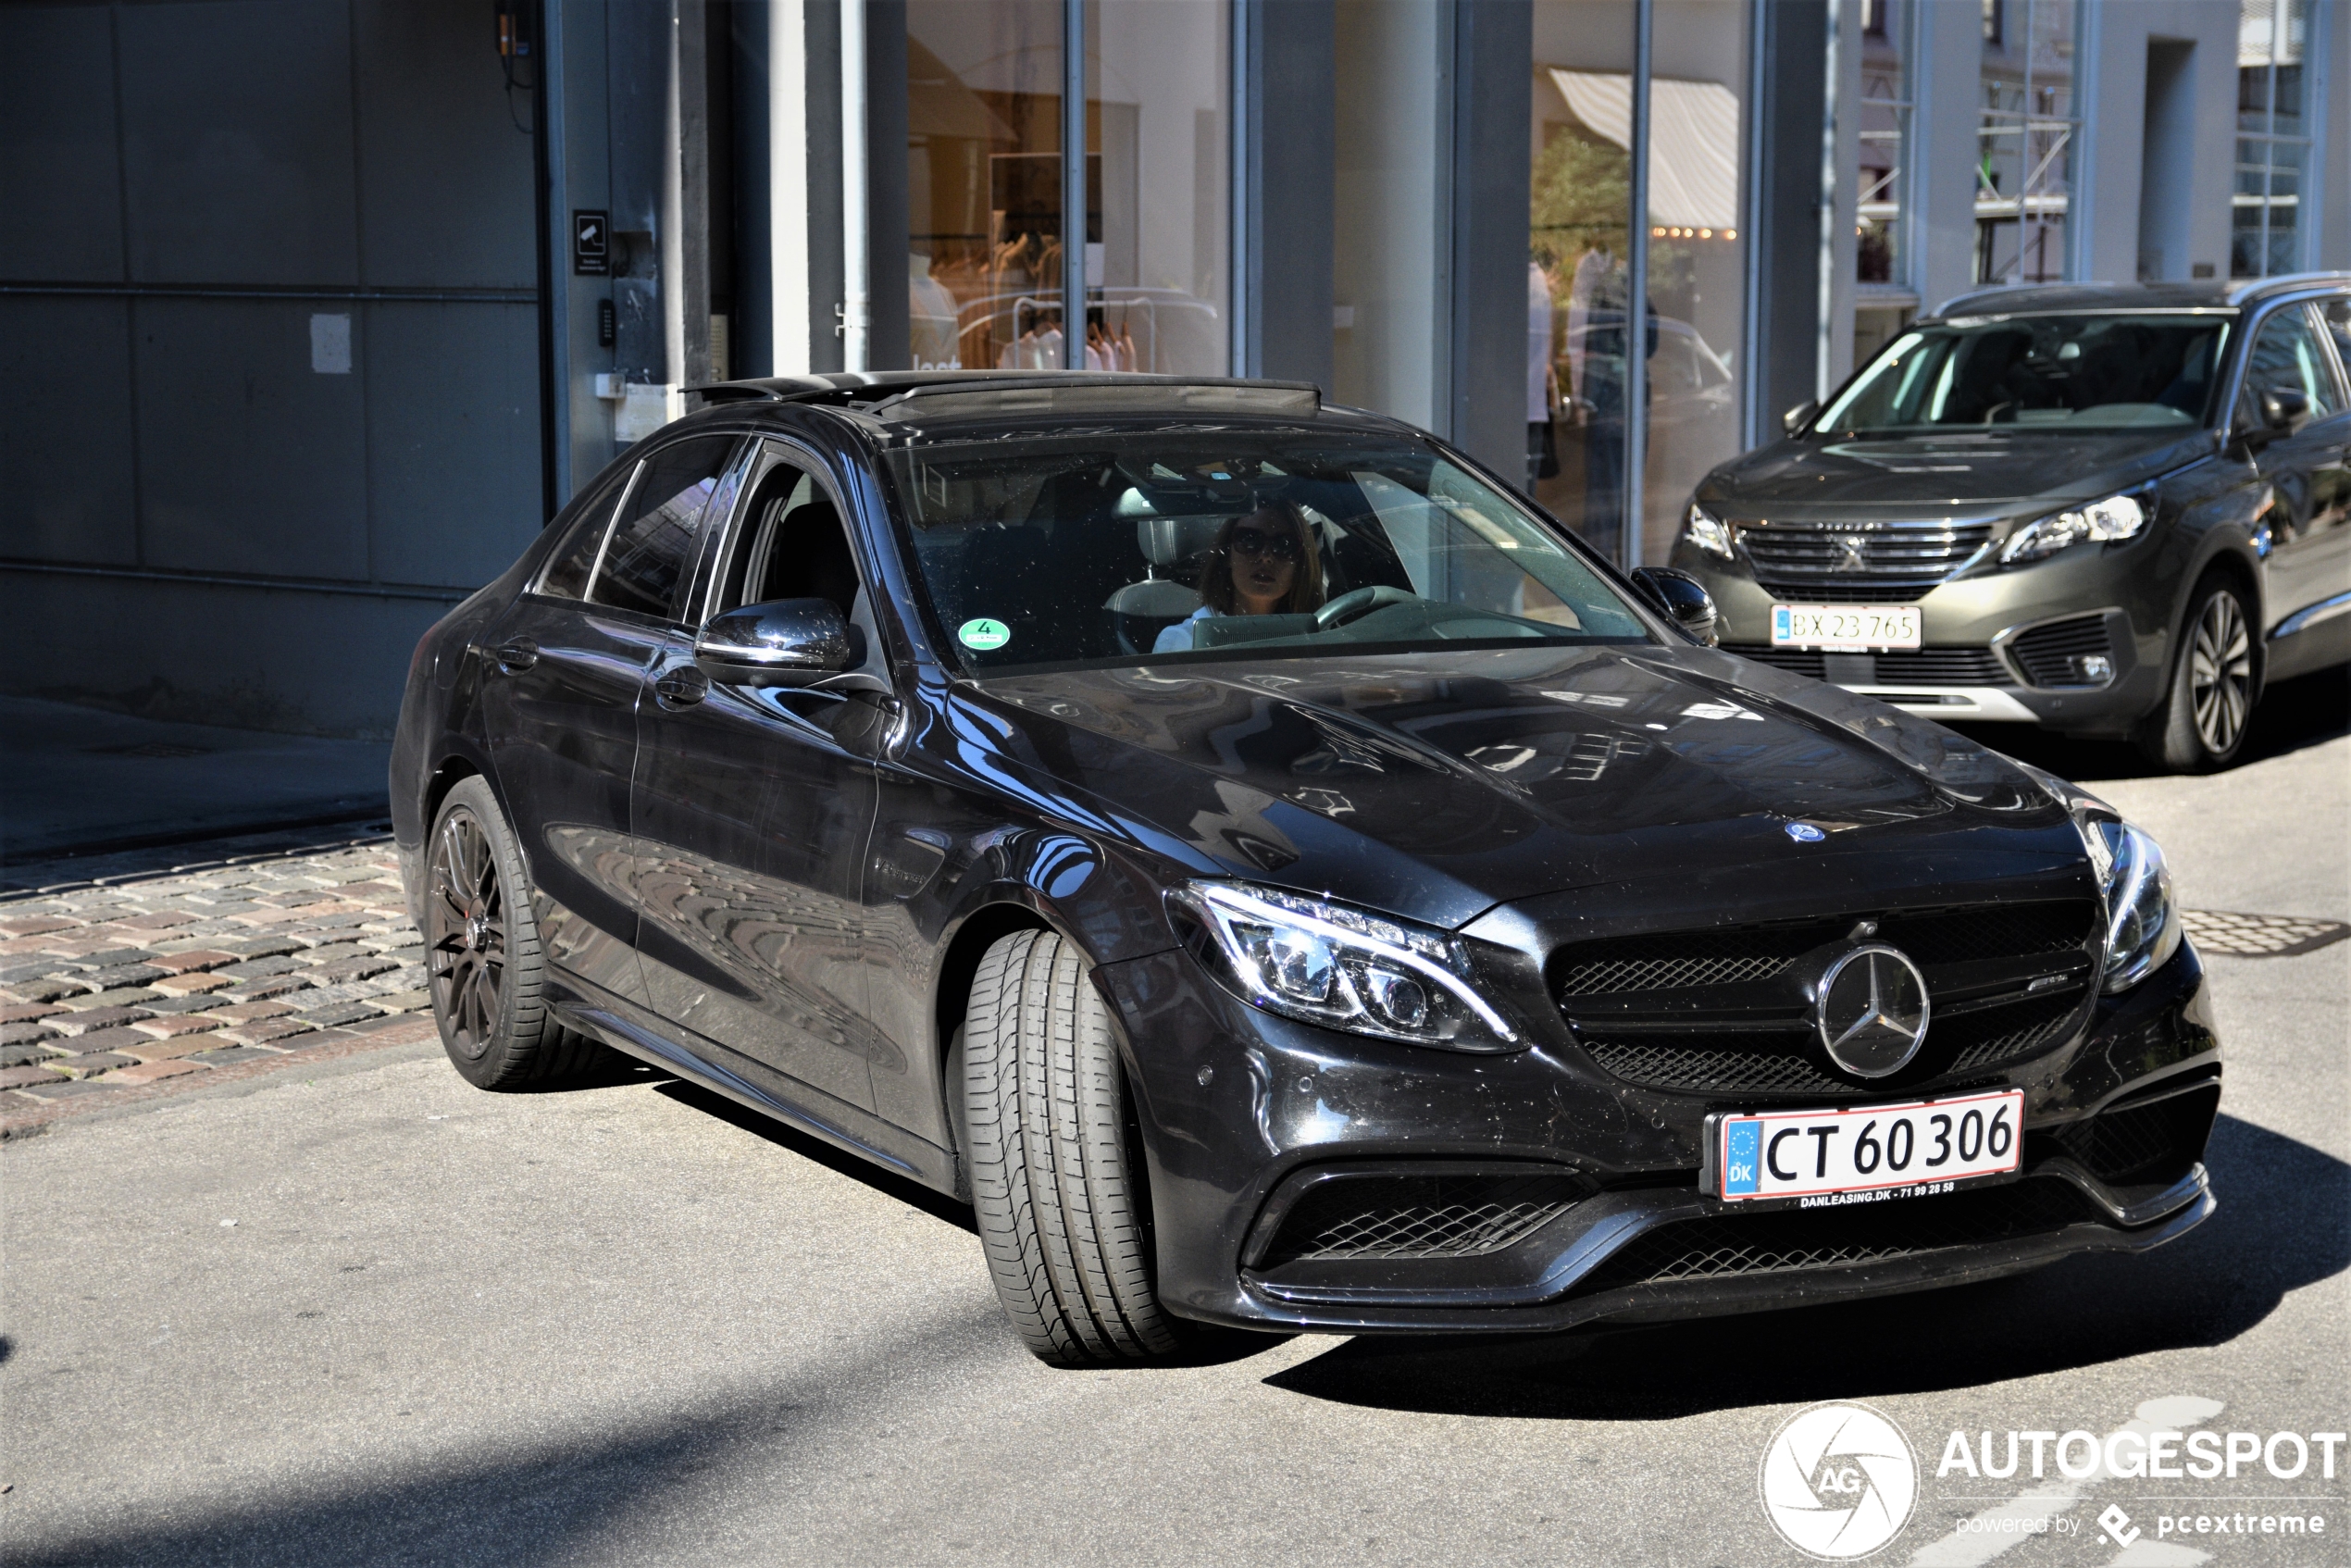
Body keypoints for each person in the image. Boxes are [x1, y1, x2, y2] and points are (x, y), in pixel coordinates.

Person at [1152, 501, 1326, 653]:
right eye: (1249, 540)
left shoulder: (1321, 639)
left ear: (1300, 564)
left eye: (1284, 545)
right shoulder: (1181, 641)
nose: (1265, 556)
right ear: (1227, 554)